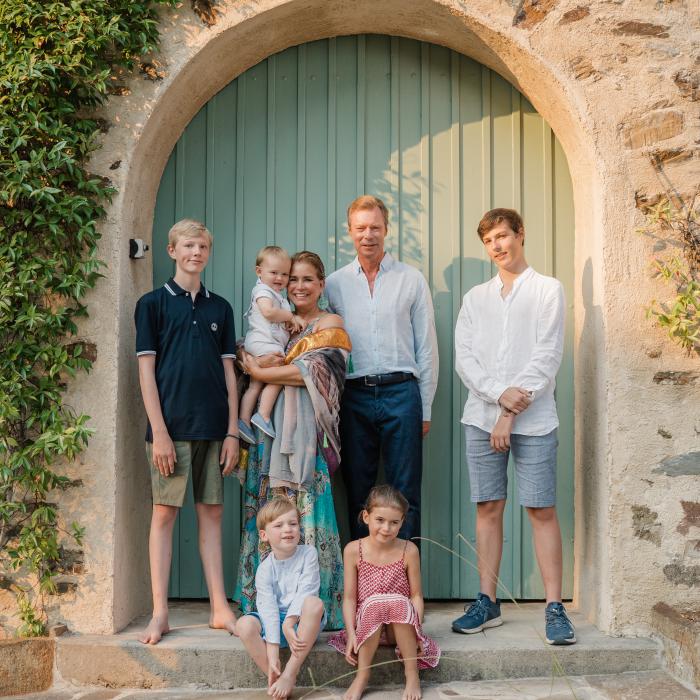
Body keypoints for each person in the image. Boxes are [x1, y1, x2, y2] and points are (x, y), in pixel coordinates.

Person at [452, 208, 575, 645]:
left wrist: (510, 410)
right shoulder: (476, 298)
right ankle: (487, 602)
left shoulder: (547, 290)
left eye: (503, 236)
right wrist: (496, 396)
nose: (497, 246)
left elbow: (547, 355)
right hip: (481, 417)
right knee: (488, 508)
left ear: (521, 235)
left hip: (534, 420)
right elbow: (465, 358)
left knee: (541, 509)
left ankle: (555, 607)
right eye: (489, 241)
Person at [134, 219, 240, 644]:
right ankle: (160, 612)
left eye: (202, 246)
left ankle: (219, 607)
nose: (196, 252)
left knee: (211, 513)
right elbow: (146, 372)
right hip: (171, 430)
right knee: (165, 514)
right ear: (172, 250)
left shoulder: (221, 308)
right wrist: (158, 431)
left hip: (214, 428)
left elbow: (230, 373)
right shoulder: (153, 304)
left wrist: (233, 431)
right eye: (188, 245)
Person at [235, 251, 350, 631]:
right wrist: (248, 362)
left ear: (321, 285)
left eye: (307, 280)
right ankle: (265, 603)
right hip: (270, 435)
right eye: (293, 279)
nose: (298, 286)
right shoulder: (280, 317)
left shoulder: (328, 323)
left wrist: (259, 370)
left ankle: (315, 605)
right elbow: (250, 347)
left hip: (306, 438)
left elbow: (313, 374)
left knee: (307, 510)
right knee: (270, 512)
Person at [325, 195, 439, 542]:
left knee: (406, 492)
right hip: (353, 396)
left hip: (402, 394)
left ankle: (406, 585)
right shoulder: (334, 284)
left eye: (375, 227)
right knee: (358, 490)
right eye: (360, 228)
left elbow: (427, 347)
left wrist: (426, 407)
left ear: (386, 229)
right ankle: (363, 586)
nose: (368, 234)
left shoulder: (411, 279)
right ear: (349, 232)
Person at [329, 485, 440, 700]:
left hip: (399, 630)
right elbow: (350, 598)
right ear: (366, 516)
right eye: (380, 520)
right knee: (378, 603)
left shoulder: (409, 550)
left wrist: (417, 629)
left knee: (397, 602)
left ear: (402, 523)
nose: (386, 528)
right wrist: (352, 634)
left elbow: (416, 595)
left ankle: (412, 674)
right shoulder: (353, 550)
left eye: (394, 522)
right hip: (367, 628)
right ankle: (362, 676)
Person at [237, 498, 326, 699]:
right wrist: (273, 651)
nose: (288, 529)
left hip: (301, 622)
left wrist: (290, 621)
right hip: (275, 622)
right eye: (279, 525)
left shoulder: (308, 554)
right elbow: (267, 609)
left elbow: (307, 589)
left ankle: (290, 673)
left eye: (293, 524)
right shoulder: (264, 569)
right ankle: (274, 675)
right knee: (243, 625)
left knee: (315, 603)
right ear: (264, 535)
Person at [238, 246, 304, 443]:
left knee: (255, 385)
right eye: (274, 273)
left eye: (285, 274)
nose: (280, 278)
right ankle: (263, 414)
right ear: (259, 272)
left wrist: (289, 325)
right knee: (280, 369)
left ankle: (243, 421)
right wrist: (292, 316)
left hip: (261, 344)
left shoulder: (277, 295)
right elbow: (268, 313)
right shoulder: (262, 291)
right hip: (263, 344)